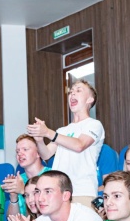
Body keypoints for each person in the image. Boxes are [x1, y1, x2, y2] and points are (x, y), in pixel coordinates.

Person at [27, 79, 104, 209]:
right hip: (59, 193)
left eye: (78, 90)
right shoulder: (62, 131)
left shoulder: (94, 125)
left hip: (82, 191)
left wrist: (49, 132)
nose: (72, 94)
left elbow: (79, 145)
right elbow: (46, 154)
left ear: (90, 99)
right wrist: (39, 140)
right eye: (71, 91)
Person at [3, 134, 50, 218]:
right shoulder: (19, 180)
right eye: (17, 151)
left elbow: (49, 215)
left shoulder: (52, 176)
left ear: (38, 153)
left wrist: (23, 191)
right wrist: (13, 196)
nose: (19, 154)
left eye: (25, 149)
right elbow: (13, 220)